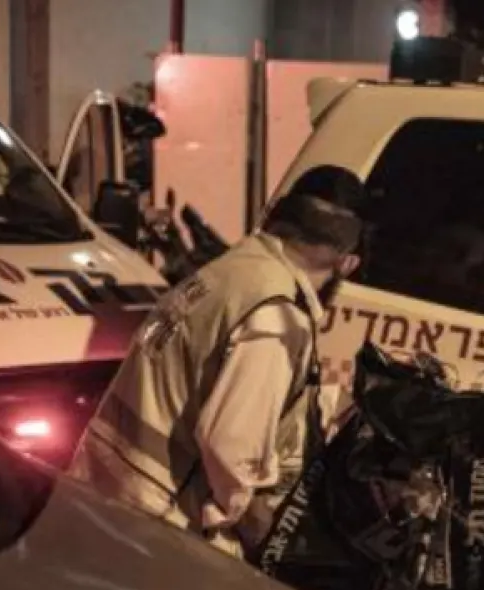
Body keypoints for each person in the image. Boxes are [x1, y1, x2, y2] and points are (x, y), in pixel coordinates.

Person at [69, 166, 365, 558]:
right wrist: (268, 539)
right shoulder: (278, 314)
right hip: (161, 522)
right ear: (347, 264)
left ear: (273, 216)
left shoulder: (230, 272)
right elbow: (232, 448)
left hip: (106, 486)